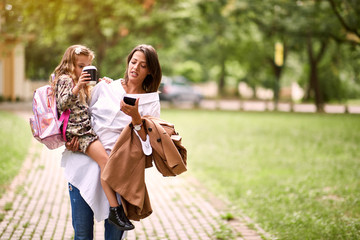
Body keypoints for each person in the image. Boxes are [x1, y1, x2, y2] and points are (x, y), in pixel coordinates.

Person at [61, 44, 162, 240]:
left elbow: (148, 147)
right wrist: (70, 139)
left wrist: (136, 119)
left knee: (114, 237)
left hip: (120, 175)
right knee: (82, 235)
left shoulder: (151, 102)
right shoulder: (105, 87)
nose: (135, 68)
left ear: (150, 71)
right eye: (133, 62)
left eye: (142, 65)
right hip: (84, 167)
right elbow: (79, 116)